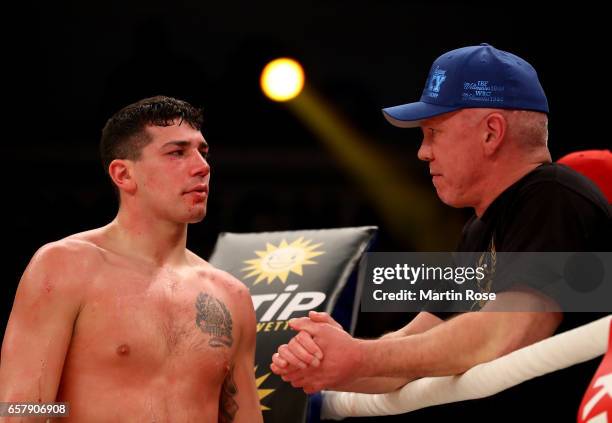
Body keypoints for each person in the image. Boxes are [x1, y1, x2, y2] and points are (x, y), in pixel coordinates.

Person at [270, 44, 611, 416]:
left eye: (433, 131)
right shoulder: (479, 229)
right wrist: (326, 360)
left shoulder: (555, 198)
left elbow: (505, 331)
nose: (423, 152)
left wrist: (359, 356)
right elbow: (410, 350)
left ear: (491, 132)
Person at [0, 96, 263, 422]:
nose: (202, 167)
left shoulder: (231, 296)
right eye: (177, 153)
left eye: (202, 152)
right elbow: (22, 409)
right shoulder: (66, 267)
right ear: (123, 174)